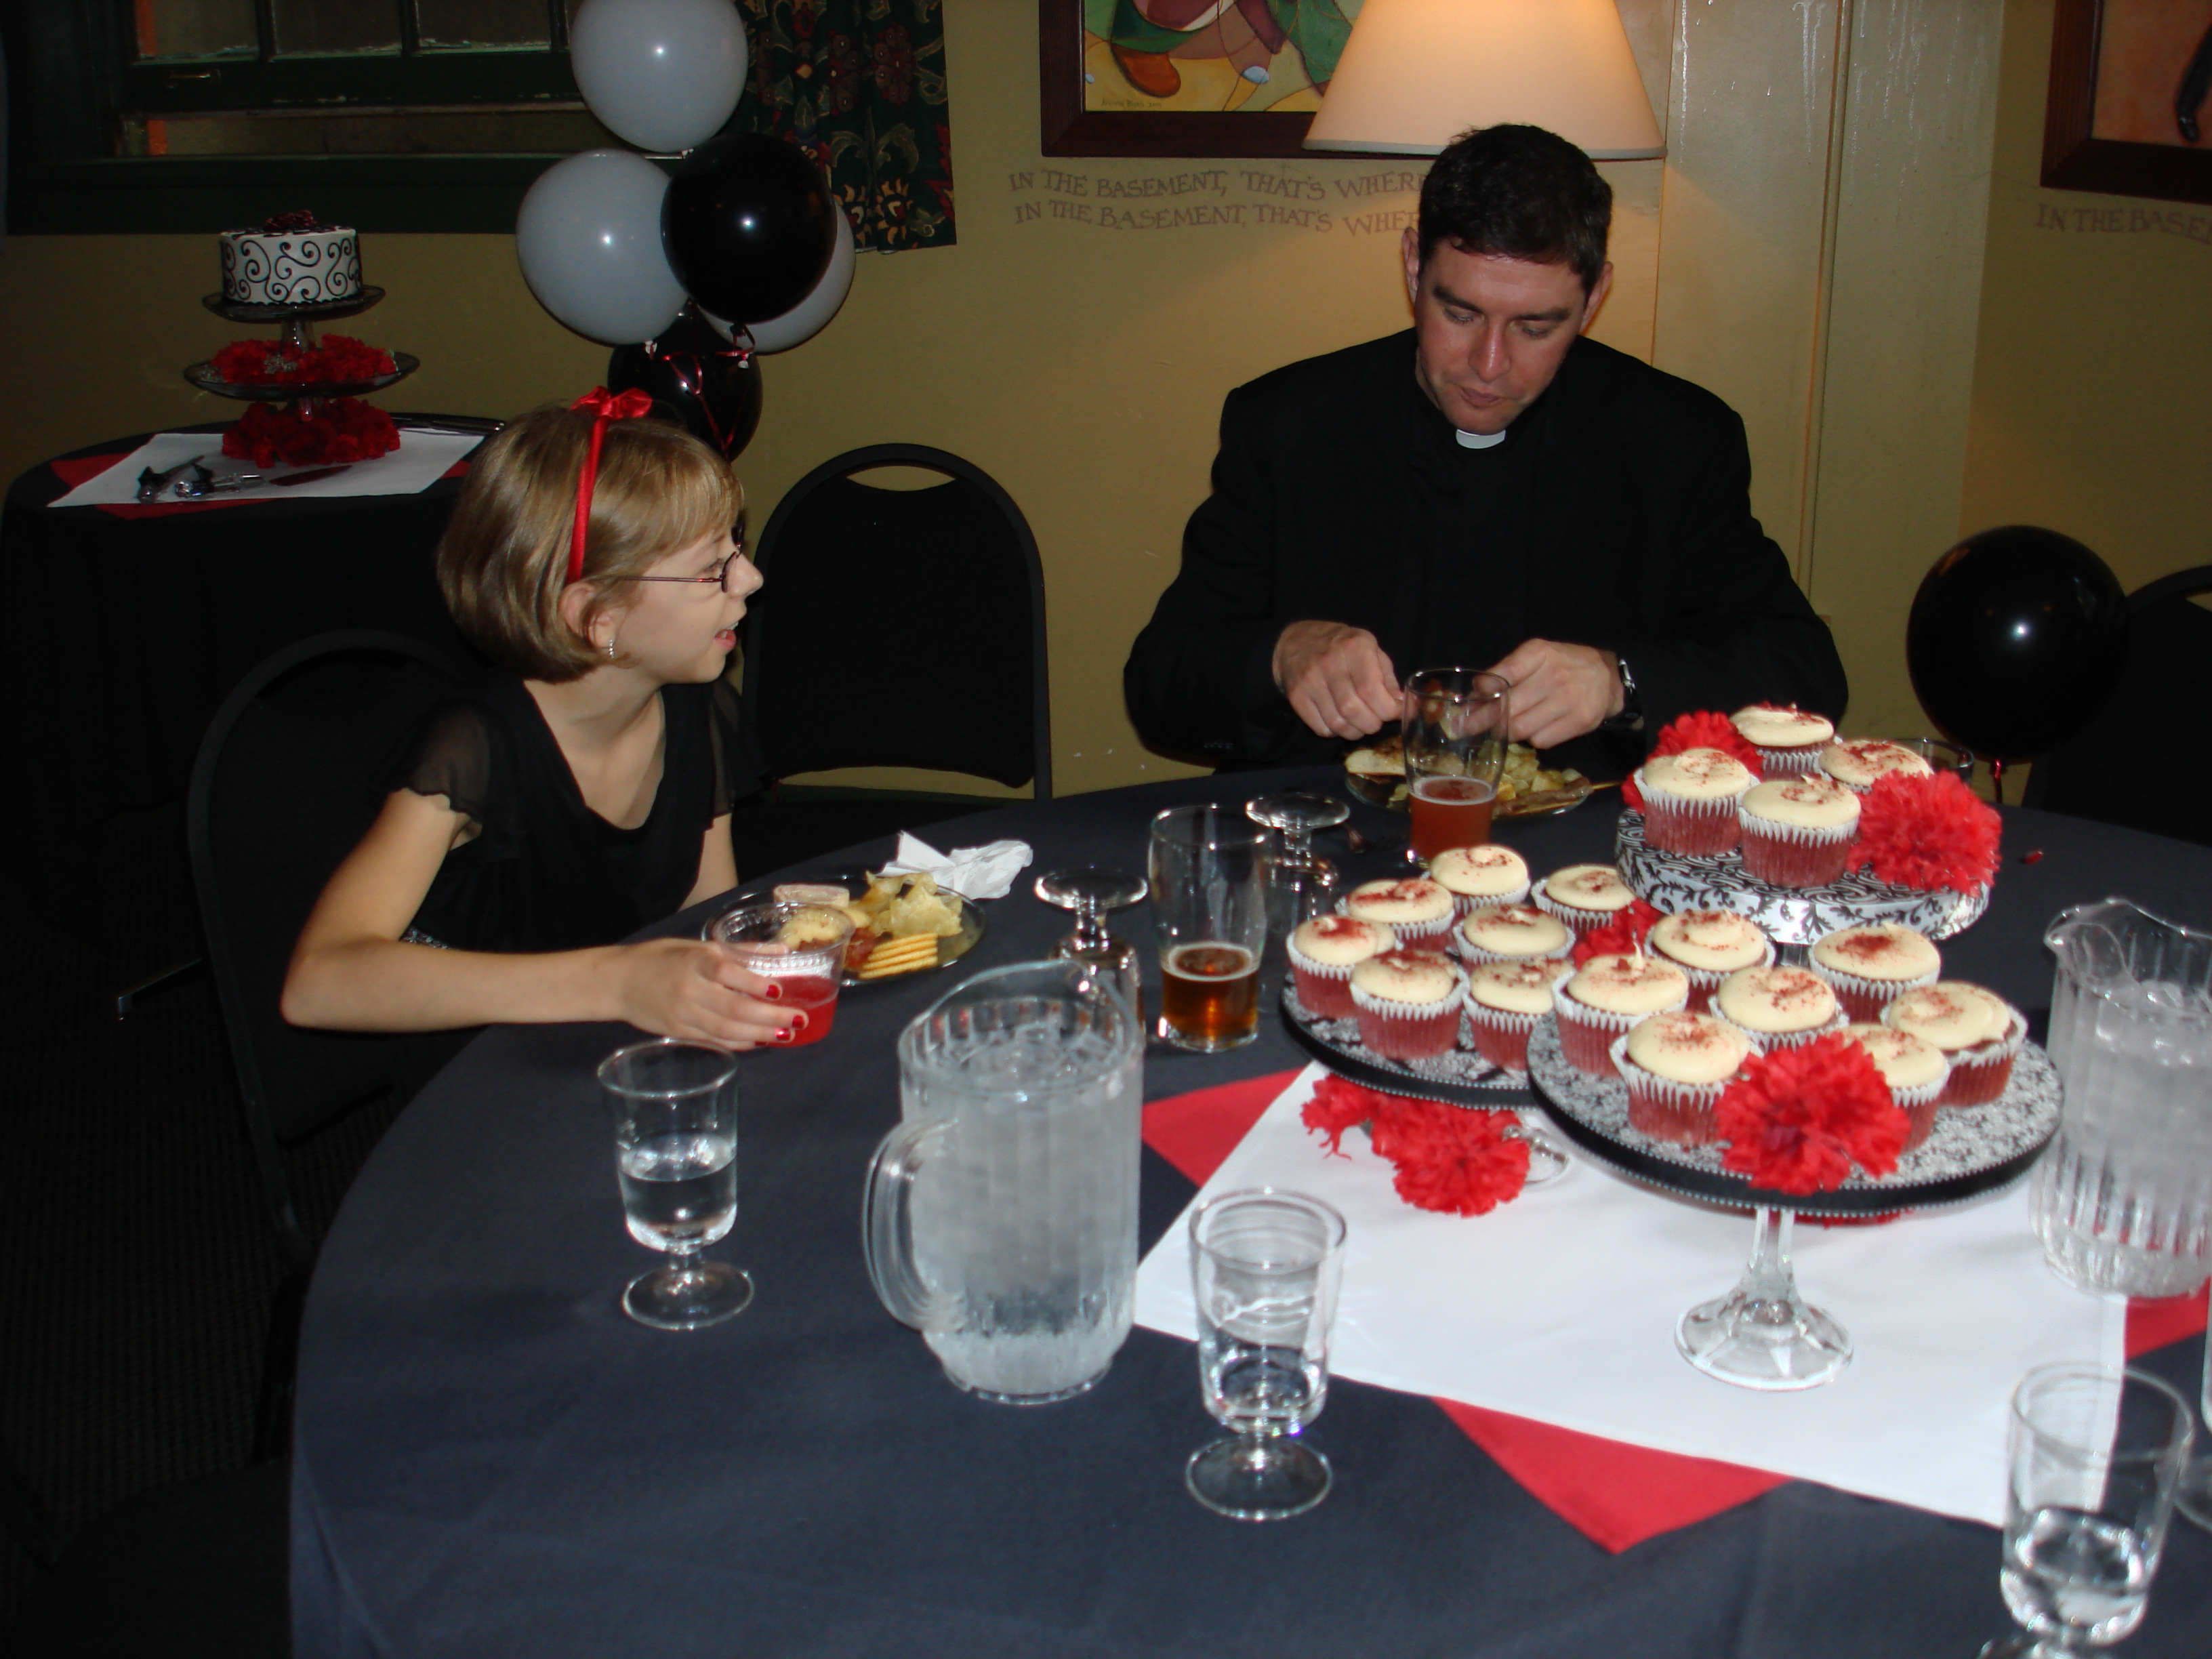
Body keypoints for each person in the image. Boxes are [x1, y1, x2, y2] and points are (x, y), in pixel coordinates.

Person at [1123, 123, 1847, 776]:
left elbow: (1806, 675)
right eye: (1460, 313)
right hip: (1327, 834)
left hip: (1581, 849)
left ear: (1595, 299)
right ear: (1414, 266)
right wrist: (1281, 656)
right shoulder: (1290, 423)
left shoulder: (1674, 439)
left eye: (1535, 327)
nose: (1489, 364)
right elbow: (1161, 684)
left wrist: (1618, 680)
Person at [282, 390, 794, 1051]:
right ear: (595, 617)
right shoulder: (476, 746)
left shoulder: (695, 705)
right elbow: (318, 983)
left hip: (607, 1049)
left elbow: (706, 918)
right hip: (474, 1063)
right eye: (710, 570)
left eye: (736, 546)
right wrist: (616, 983)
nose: (749, 579)